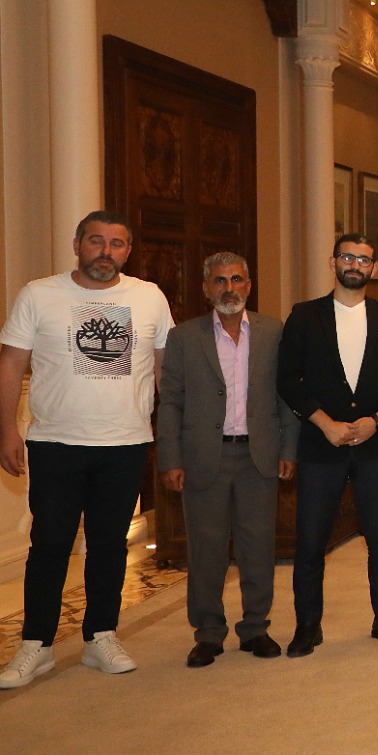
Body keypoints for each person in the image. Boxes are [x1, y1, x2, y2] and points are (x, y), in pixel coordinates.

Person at [0, 211, 174, 690]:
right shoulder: (39, 294)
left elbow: (165, 370)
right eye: (96, 241)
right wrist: (6, 430)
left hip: (125, 443)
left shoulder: (149, 297)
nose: (106, 251)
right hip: (55, 443)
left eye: (116, 244)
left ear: (128, 251)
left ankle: (101, 635)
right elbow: (11, 363)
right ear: (77, 244)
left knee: (109, 545)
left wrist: (174, 435)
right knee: (50, 546)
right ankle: (36, 645)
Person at [277, 233, 378, 657]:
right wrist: (325, 424)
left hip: (375, 446)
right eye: (348, 257)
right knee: (311, 540)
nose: (355, 265)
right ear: (333, 261)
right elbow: (288, 380)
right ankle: (307, 625)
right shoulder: (304, 316)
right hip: (322, 446)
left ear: (373, 268)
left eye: (364, 259)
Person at [156, 252, 297, 668]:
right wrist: (170, 458)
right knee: (207, 549)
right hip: (205, 457)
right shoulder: (184, 337)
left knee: (258, 546)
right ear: (206, 288)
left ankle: (255, 628)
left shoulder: (273, 332)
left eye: (236, 280)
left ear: (248, 286)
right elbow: (171, 402)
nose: (229, 288)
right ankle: (208, 632)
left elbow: (287, 395)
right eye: (220, 281)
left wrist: (289, 449)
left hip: (258, 456)